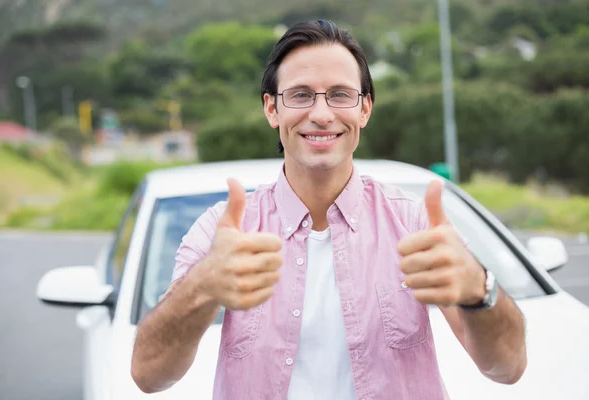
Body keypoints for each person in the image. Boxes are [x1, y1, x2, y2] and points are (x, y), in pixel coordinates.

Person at [130, 20, 527, 399]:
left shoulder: (414, 224)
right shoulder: (221, 232)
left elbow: (506, 369)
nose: (321, 114)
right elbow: (149, 375)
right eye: (301, 95)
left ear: (365, 109)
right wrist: (203, 286)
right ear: (272, 109)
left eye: (340, 94)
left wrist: (480, 286)